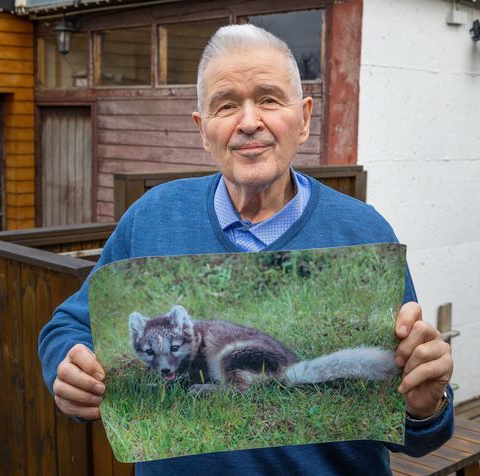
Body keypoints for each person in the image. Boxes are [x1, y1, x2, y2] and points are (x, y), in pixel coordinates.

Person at [39, 24, 454, 475]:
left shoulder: (365, 231)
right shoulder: (151, 217)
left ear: (305, 118)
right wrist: (67, 365)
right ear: (203, 129)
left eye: (270, 99)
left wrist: (426, 406)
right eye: (226, 105)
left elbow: (419, 433)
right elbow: (68, 324)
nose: (249, 121)